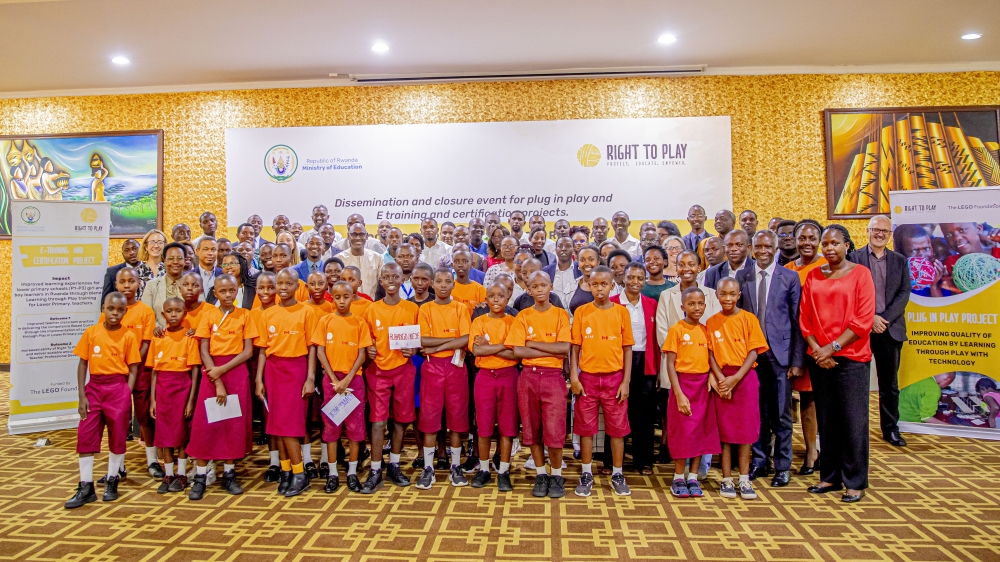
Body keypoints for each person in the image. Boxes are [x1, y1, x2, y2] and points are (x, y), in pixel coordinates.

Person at [800, 225, 875, 503]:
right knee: (827, 420)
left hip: (851, 359)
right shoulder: (813, 276)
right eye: (825, 243)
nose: (829, 248)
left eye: (835, 243)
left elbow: (863, 320)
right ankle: (830, 475)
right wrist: (817, 350)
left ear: (847, 245)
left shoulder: (861, 275)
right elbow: (805, 317)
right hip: (820, 358)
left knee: (853, 422)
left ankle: (855, 481)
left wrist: (832, 348)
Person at [736, 230, 807, 486]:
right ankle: (760, 462)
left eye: (768, 246)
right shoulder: (742, 276)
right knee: (758, 412)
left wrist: (798, 361)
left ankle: (783, 466)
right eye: (759, 246)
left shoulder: (790, 277)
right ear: (752, 248)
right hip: (752, 357)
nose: (763, 250)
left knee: (781, 415)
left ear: (775, 248)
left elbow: (798, 321)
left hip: (781, 357)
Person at [65, 292, 142, 508]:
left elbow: (134, 368)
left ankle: (112, 479)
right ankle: (86, 485)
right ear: (103, 309)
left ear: (125, 312)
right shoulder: (91, 333)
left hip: (118, 388)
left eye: (120, 310)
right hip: (94, 389)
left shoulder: (128, 336)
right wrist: (82, 395)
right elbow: (82, 364)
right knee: (86, 435)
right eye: (111, 309)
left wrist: (127, 392)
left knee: (117, 437)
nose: (115, 313)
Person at [187, 274, 257, 498]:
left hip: (236, 373)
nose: (228, 295)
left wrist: (223, 370)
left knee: (232, 425)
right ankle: (200, 476)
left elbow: (247, 351)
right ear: (215, 293)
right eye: (223, 291)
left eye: (232, 290)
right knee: (205, 425)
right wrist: (216, 378)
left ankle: (229, 473)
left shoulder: (245, 315)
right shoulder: (208, 315)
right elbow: (204, 350)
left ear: (238, 290)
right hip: (212, 373)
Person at [505, 271, 571, 499]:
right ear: (529, 290)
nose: (540, 289)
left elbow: (564, 348)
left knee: (554, 430)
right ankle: (541, 473)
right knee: (532, 429)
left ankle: (557, 474)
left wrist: (532, 343)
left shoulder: (561, 315)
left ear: (550, 286)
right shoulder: (523, 316)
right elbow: (518, 350)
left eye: (544, 285)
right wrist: (545, 346)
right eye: (535, 286)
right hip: (528, 378)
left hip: (553, 377)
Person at [254, 269, 319, 497]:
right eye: (279, 283)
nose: (283, 287)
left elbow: (312, 347)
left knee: (289, 425)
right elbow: (262, 350)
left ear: (297, 286)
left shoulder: (306, 311)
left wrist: (310, 377)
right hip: (273, 370)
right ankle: (285, 470)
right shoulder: (267, 314)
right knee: (276, 424)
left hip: (296, 368)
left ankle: (300, 473)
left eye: (288, 283)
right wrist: (258, 379)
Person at [570, 266, 634, 497]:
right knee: (586, 429)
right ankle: (586, 472)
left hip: (614, 378)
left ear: (612, 285)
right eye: (594, 284)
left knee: (617, 430)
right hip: (587, 378)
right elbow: (574, 349)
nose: (599, 288)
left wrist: (626, 381)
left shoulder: (621, 312)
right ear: (589, 285)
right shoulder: (582, 312)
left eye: (604, 284)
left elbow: (628, 349)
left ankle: (617, 472)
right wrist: (574, 377)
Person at [849, 215, 911, 448]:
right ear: (867, 231)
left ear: (890, 235)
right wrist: (870, 318)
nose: (880, 234)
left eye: (885, 231)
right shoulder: (853, 259)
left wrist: (882, 319)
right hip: (859, 330)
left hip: (889, 328)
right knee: (857, 384)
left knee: (889, 384)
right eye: (876, 229)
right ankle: (857, 430)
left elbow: (904, 293)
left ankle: (890, 429)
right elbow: (850, 294)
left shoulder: (899, 261)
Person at [656, 250, 720, 471]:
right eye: (681, 264)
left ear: (699, 267)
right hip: (677, 367)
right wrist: (684, 350)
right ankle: (677, 465)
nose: (687, 269)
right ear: (676, 268)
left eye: (691, 264)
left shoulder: (711, 295)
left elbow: (715, 332)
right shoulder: (667, 295)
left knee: (702, 420)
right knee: (679, 419)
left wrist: (710, 368)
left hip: (704, 369)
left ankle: (700, 469)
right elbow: (662, 330)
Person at [707, 278, 769, 500]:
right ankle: (726, 479)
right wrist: (722, 378)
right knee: (725, 433)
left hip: (744, 379)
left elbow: (754, 351)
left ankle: (743, 479)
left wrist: (735, 378)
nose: (728, 298)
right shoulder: (712, 322)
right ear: (716, 295)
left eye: (732, 294)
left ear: (739, 295)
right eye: (723, 294)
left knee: (745, 433)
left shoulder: (748, 319)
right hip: (723, 380)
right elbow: (711, 354)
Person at [363, 263, 420, 493]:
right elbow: (365, 340)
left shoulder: (412, 308)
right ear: (381, 280)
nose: (391, 280)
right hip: (378, 371)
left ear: (401, 279)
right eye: (386, 277)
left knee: (401, 420)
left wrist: (413, 350)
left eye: (395, 276)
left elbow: (417, 340)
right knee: (378, 421)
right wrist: (369, 349)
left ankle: (394, 465)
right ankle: (375, 468)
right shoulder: (372, 309)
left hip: (404, 370)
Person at [414, 269, 473, 489]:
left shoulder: (460, 308)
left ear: (453, 285)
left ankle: (456, 465)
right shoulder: (426, 309)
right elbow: (423, 340)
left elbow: (466, 339)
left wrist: (438, 346)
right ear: (432, 284)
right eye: (438, 281)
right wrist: (451, 340)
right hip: (432, 368)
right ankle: (428, 467)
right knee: (429, 417)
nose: (443, 285)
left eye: (448, 281)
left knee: (457, 418)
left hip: (456, 366)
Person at [313, 280, 372, 493]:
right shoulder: (325, 321)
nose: (341, 301)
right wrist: (334, 379)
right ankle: (332, 474)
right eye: (337, 297)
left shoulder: (359, 322)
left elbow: (362, 354)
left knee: (355, 428)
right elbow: (320, 351)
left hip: (353, 382)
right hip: (331, 382)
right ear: (331, 296)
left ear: (352, 296)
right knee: (331, 428)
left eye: (345, 297)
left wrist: (346, 380)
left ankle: (353, 473)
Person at [661, 287, 721, 499]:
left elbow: (711, 358)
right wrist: (677, 392)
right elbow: (670, 364)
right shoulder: (676, 330)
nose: (697, 308)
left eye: (700, 304)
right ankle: (678, 477)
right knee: (683, 433)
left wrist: (713, 377)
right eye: (692, 304)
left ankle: (693, 477)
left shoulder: (706, 330)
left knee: (700, 433)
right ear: (682, 306)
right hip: (683, 386)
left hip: (703, 388)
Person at [468, 281, 519, 491]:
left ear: (507, 299)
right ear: (485, 299)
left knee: (507, 426)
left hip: (509, 376)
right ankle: (484, 469)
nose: (496, 299)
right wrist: (501, 347)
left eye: (501, 296)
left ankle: (504, 470)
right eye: (492, 295)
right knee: (484, 425)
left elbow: (515, 352)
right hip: (485, 377)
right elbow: (477, 352)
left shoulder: (514, 321)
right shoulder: (478, 321)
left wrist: (490, 347)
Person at [146, 297, 200, 495]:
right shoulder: (158, 338)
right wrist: (152, 399)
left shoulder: (189, 338)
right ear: (163, 315)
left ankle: (181, 474)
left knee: (182, 435)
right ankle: (168, 474)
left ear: (185, 314)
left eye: (178, 311)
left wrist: (191, 400)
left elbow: (194, 371)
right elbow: (154, 372)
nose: (174, 314)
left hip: (183, 389)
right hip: (162, 391)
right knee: (164, 435)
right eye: (170, 311)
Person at [785, 219, 825, 474]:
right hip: (794, 343)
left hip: (823, 342)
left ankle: (820, 450)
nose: (807, 243)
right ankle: (800, 450)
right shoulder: (788, 269)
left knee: (819, 400)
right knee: (799, 400)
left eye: (812, 238)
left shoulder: (827, 267)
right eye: (802, 238)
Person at [611, 262, 659, 474]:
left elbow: (655, 338)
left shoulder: (650, 304)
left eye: (640, 278)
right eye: (631, 277)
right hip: (617, 361)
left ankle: (643, 460)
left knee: (644, 414)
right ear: (623, 277)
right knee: (615, 411)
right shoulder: (612, 303)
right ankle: (611, 460)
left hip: (645, 361)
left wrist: (656, 369)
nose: (635, 282)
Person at [334, 223, 384, 297]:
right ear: (348, 236)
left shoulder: (377, 258)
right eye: (354, 234)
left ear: (366, 236)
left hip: (371, 305)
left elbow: (382, 285)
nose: (358, 238)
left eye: (361, 234)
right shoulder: (339, 259)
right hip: (347, 305)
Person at [544, 236, 582, 307]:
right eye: (560, 246)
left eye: (568, 246)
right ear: (555, 249)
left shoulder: (580, 270)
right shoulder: (546, 271)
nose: (563, 249)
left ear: (573, 250)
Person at [103, 239, 140, 303]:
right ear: (122, 254)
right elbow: (105, 301)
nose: (131, 253)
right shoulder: (112, 272)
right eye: (127, 250)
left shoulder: (150, 269)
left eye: (134, 249)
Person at [136, 229, 168, 296]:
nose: (156, 246)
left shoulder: (170, 269)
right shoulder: (137, 272)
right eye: (152, 242)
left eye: (160, 242)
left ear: (165, 246)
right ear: (146, 247)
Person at [569, 246, 600, 314]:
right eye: (582, 260)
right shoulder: (570, 286)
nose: (586, 263)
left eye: (591, 260)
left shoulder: (609, 286)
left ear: (598, 263)